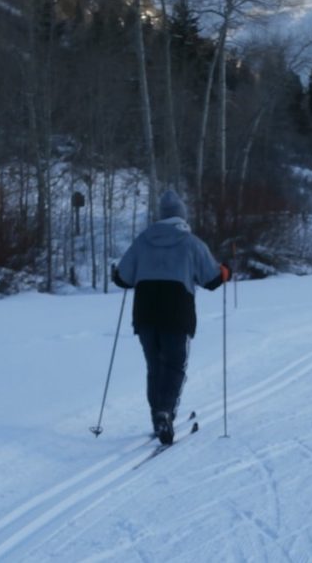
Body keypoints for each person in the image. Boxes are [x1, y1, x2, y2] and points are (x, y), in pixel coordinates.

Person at [112, 190, 230, 445]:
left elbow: (122, 277)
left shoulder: (142, 241)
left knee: (154, 366)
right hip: (177, 311)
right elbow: (211, 279)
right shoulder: (191, 243)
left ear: (160, 216)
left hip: (144, 312)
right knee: (175, 365)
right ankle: (166, 411)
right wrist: (226, 271)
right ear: (182, 216)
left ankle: (157, 415)